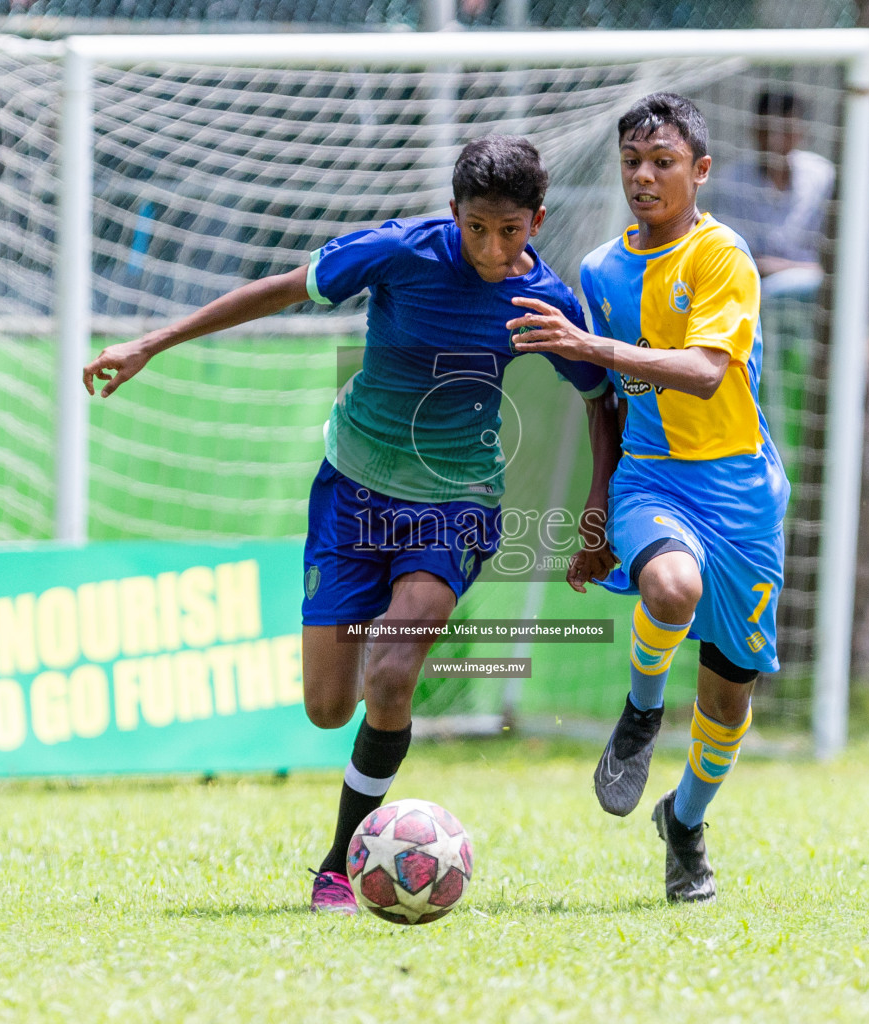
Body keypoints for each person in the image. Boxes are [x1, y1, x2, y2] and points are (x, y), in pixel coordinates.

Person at [83, 136, 613, 914]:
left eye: (510, 231)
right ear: (454, 214)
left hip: (456, 502)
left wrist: (597, 507)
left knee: (393, 673)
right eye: (475, 228)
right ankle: (370, 737)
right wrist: (151, 344)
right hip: (354, 493)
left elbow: (601, 395)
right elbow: (280, 288)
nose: (492, 248)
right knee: (329, 706)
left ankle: (340, 864)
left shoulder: (547, 304)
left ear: (536, 220)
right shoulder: (399, 252)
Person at [507, 93, 788, 904]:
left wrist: (590, 344)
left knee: (729, 697)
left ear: (699, 171)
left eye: (662, 162)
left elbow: (705, 374)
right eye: (632, 161)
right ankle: (638, 714)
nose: (643, 176)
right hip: (650, 475)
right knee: (671, 586)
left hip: (738, 490)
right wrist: (597, 509)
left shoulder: (722, 255)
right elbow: (607, 399)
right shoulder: (599, 270)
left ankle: (686, 822)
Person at [708, 88, 835, 300]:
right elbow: (735, 257)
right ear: (755, 129)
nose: (776, 139)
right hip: (751, 288)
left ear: (801, 131)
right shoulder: (731, 181)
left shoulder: (823, 176)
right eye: (769, 129)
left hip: (816, 289)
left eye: (786, 129)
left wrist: (789, 268)